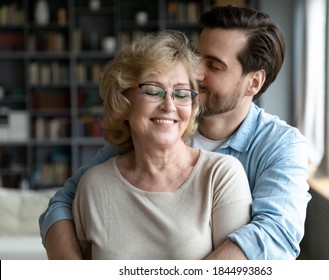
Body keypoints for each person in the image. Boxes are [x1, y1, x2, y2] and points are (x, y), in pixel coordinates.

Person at [39, 5, 311, 260]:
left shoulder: (280, 145)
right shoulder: (157, 129)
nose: (196, 71)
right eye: (197, 55)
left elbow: (276, 235)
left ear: (254, 82)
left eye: (214, 65)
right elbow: (63, 204)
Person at [72, 30, 252, 259]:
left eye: (181, 93)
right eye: (153, 90)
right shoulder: (93, 185)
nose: (169, 105)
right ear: (124, 100)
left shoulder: (220, 176)